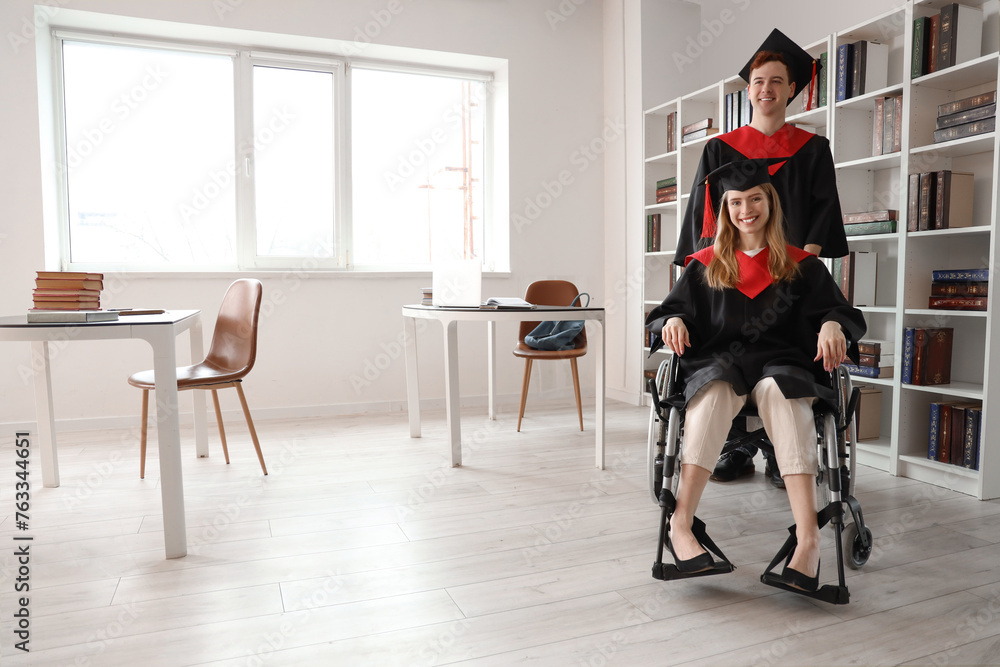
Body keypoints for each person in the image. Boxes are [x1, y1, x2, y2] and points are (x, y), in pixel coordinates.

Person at [645, 157, 865, 591]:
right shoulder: (704, 265)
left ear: (771, 202)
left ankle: (807, 540)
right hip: (719, 363)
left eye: (755, 199)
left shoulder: (801, 265)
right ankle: (682, 526)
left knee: (782, 390)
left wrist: (833, 324)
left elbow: (839, 311)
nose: (746, 209)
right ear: (725, 210)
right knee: (712, 390)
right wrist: (671, 323)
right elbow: (667, 313)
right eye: (736, 202)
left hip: (780, 365)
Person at [675, 28, 850, 486]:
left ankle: (780, 448)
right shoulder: (720, 149)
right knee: (725, 345)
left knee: (784, 351)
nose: (766, 89)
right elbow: (706, 220)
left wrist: (798, 269)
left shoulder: (813, 149)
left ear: (792, 89)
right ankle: (734, 446)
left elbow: (822, 213)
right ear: (748, 89)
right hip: (734, 272)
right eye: (758, 81)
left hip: (790, 274)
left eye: (776, 81)